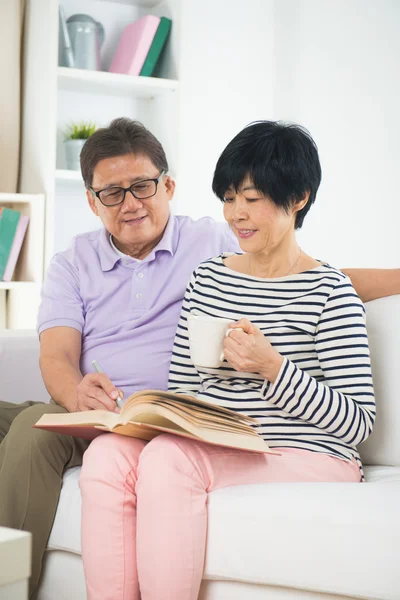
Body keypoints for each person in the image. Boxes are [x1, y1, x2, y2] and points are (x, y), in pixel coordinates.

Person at [0, 118, 396, 598]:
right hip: (227, 440)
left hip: (307, 450)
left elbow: (358, 425)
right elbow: (185, 389)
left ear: (299, 198)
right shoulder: (208, 278)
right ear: (92, 200)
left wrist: (274, 368)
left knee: (168, 460)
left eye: (252, 199)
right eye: (230, 199)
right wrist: (176, 415)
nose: (238, 215)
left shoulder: (327, 290)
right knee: (106, 457)